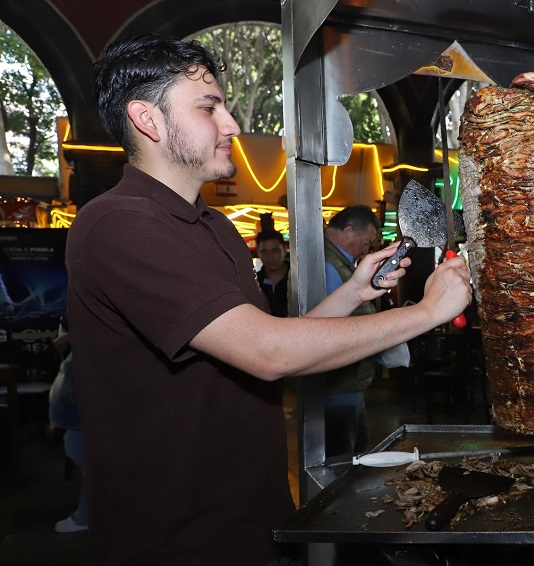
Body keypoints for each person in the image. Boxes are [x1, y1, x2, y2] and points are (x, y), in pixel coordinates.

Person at [66, 34, 471, 565]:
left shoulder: (213, 227)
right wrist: (427, 313)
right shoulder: (118, 224)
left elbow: (265, 342)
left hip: (253, 519)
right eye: (209, 108)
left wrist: (353, 291)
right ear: (148, 120)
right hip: (177, 539)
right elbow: (268, 352)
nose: (232, 125)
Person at [322, 205, 381, 458]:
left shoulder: (338, 261)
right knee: (343, 456)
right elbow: (332, 324)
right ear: (348, 231)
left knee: (356, 444)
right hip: (338, 380)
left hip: (348, 377)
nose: (366, 249)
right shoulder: (326, 264)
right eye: (366, 242)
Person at [47, 315, 87, 534]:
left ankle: (84, 518)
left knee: (93, 475)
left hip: (83, 425)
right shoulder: (74, 359)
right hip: (75, 424)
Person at [255, 230, 290, 317]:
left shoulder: (296, 279)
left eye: (275, 251)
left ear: (285, 250)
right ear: (258, 253)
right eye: (264, 252)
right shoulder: (254, 282)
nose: (270, 257)